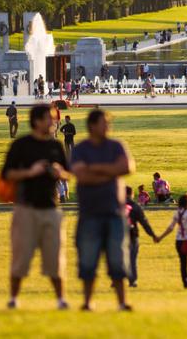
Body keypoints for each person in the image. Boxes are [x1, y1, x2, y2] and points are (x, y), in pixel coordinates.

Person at [1, 103, 71, 310]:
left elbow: (69, 173)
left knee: (55, 257)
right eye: (49, 118)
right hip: (26, 208)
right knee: (21, 257)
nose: (53, 122)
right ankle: (13, 299)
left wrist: (60, 172)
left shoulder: (55, 146)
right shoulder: (21, 145)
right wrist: (30, 172)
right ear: (37, 121)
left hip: (51, 208)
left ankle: (61, 299)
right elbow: (7, 174)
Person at [70, 108, 135, 310]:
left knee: (118, 259)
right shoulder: (81, 148)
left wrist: (95, 168)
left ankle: (122, 303)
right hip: (90, 212)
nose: (108, 127)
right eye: (104, 123)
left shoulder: (116, 146)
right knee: (88, 260)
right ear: (92, 125)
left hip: (114, 213)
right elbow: (81, 175)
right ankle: (88, 302)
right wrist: (111, 172)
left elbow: (128, 167)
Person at [155, 193, 187, 288]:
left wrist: (160, 237)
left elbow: (170, 228)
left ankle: (185, 282)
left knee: (183, 263)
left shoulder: (178, 212)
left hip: (179, 241)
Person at [124, 184, 156, 288]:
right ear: (131, 194)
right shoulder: (135, 207)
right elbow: (144, 222)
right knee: (132, 259)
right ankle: (132, 281)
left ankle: (116, 279)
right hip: (133, 235)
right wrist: (153, 235)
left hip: (118, 236)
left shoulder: (115, 205)